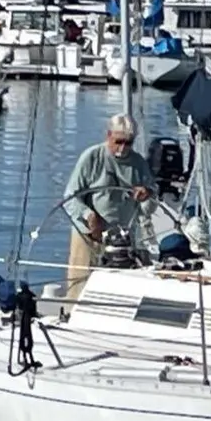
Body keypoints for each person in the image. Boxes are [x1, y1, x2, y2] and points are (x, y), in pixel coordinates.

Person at [63, 114, 155, 300]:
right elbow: (69, 197)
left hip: (122, 238)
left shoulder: (139, 163)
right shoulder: (92, 157)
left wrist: (147, 194)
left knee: (118, 290)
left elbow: (151, 202)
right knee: (79, 286)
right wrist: (89, 215)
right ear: (108, 135)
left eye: (128, 143)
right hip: (88, 235)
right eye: (118, 142)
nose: (122, 148)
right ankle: (72, 313)